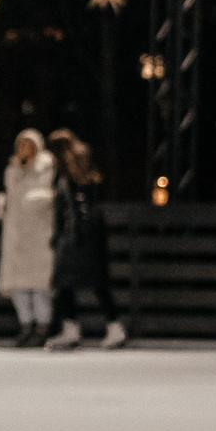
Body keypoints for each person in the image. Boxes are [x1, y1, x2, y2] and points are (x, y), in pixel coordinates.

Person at [46, 129, 126, 350]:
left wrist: (66, 238)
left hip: (77, 238)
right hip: (87, 237)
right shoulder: (84, 175)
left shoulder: (71, 179)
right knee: (79, 284)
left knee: (69, 283)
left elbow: (72, 211)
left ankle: (89, 329)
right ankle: (104, 327)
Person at [0, 128, 56, 346]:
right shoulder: (12, 170)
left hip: (38, 234)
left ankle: (43, 325)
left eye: (28, 145)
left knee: (40, 285)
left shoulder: (45, 167)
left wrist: (38, 199)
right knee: (19, 285)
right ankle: (26, 324)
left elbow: (48, 194)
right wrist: (3, 203)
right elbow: (11, 194)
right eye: (22, 145)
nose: (24, 150)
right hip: (17, 235)